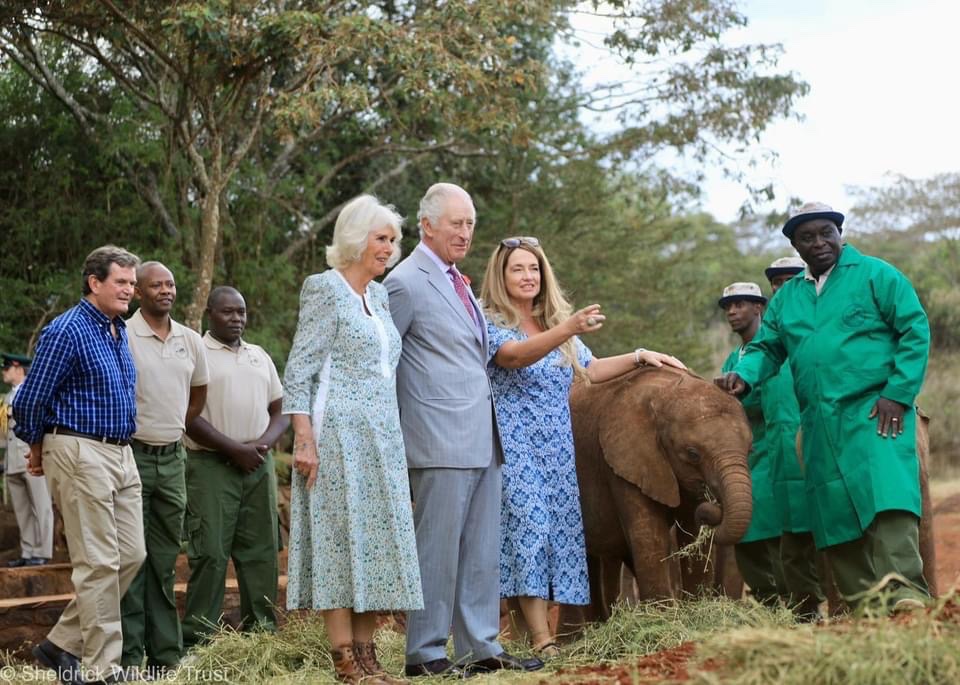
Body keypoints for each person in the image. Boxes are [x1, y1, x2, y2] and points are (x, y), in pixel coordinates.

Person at [716, 202, 931, 613]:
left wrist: (898, 393)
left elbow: (914, 329)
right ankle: (866, 610)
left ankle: (907, 597)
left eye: (825, 233)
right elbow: (766, 348)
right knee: (835, 515)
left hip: (876, 410)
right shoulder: (788, 298)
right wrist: (744, 376)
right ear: (796, 246)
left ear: (839, 233)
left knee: (887, 497)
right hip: (817, 422)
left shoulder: (877, 275)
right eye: (807, 237)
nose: (818, 243)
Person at [480, 237, 686, 655]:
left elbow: (589, 369)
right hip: (513, 446)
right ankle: (543, 640)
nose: (528, 276)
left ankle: (529, 636)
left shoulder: (552, 324)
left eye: (534, 269)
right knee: (531, 530)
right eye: (518, 269)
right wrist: (568, 329)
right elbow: (514, 357)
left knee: (555, 536)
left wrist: (641, 355)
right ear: (500, 276)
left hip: (558, 449)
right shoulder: (489, 320)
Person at [385, 183, 542, 677]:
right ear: (427, 225)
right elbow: (382, 363)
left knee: (480, 553)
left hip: (482, 436)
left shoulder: (457, 281)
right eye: (456, 222)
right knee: (436, 551)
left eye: (470, 223)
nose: (465, 232)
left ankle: (480, 647)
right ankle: (425, 653)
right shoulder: (404, 282)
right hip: (436, 438)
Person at [283, 195, 423, 684]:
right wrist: (304, 438)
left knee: (376, 545)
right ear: (355, 237)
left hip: (382, 435)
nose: (389, 248)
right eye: (380, 238)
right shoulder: (325, 288)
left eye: (393, 240)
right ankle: (344, 659)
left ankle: (368, 656)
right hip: (337, 434)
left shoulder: (379, 296)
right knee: (340, 542)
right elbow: (298, 370)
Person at [12, 245, 146, 684]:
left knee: (132, 554)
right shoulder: (66, 330)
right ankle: (102, 670)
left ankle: (60, 644)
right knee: (99, 562)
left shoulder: (117, 329)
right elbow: (30, 400)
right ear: (94, 282)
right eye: (121, 282)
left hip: (121, 452)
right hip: (79, 449)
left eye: (132, 283)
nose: (129, 290)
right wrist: (37, 445)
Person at [181, 286, 289, 647]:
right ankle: (199, 640)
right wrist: (233, 449)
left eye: (241, 312)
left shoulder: (259, 355)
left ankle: (262, 636)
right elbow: (186, 416)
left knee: (261, 552)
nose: (236, 318)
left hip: (258, 464)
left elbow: (281, 409)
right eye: (228, 312)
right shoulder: (196, 353)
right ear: (209, 314)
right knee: (210, 552)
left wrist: (261, 446)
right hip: (211, 464)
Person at [120, 262, 209, 675]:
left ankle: (166, 657)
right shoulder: (122, 335)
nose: (166, 290)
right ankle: (129, 656)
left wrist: (174, 426)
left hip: (173, 460)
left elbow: (198, 395)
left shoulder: (190, 340)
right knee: (131, 559)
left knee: (164, 559)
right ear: (139, 292)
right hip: (131, 456)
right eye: (156, 285)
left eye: (170, 284)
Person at [762, 257, 825, 620]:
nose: (782, 287)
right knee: (792, 541)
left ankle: (848, 605)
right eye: (776, 282)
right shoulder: (764, 349)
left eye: (790, 279)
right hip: (781, 462)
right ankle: (806, 610)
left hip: (820, 449)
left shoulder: (817, 329)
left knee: (830, 531)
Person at [717, 282, 788, 607]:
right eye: (728, 307)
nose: (732, 312)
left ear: (759, 307)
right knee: (745, 526)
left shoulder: (776, 351)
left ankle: (796, 601)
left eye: (740, 304)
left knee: (777, 526)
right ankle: (766, 600)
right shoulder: (733, 359)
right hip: (746, 455)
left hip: (775, 450)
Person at [2, 353, 54, 567]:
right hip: (12, 461)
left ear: (19, 368)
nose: (3, 372)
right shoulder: (7, 397)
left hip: (32, 457)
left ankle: (42, 551)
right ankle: (28, 551)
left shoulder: (35, 392)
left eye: (7, 368)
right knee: (22, 509)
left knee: (41, 505)